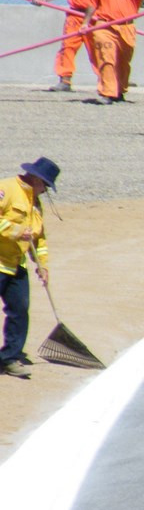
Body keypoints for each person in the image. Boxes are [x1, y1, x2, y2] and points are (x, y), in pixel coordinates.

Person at [0, 157, 58, 379]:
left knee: (20, 310)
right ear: (36, 179)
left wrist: (42, 265)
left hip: (17, 265)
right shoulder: (6, 189)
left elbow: (39, 238)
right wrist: (15, 231)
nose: (45, 190)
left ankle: (10, 358)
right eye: (46, 185)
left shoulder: (36, 203)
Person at [31, 0, 106, 93]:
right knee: (67, 46)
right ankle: (65, 80)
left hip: (94, 15)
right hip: (74, 14)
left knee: (98, 49)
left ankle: (107, 81)